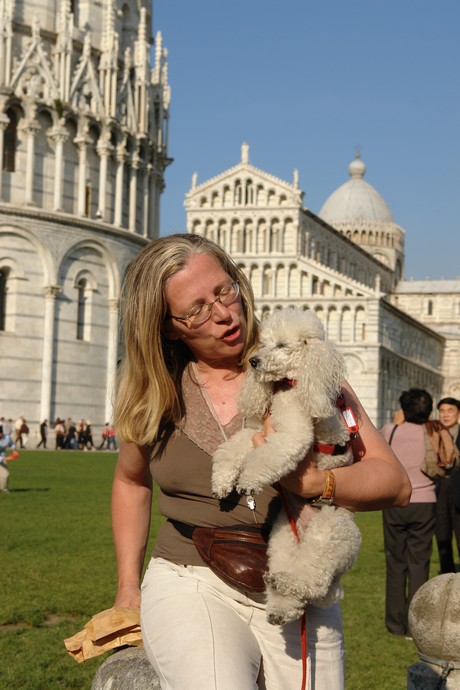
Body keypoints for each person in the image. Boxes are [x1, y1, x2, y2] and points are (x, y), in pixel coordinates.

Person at [111, 233, 411, 690]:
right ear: (169, 326)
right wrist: (128, 588)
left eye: (224, 290)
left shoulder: (304, 369)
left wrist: (313, 483)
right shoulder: (154, 391)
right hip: (191, 576)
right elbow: (131, 483)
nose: (224, 314)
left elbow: (395, 483)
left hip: (298, 579)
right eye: (196, 310)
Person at [380, 388, 453, 638]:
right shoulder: (433, 433)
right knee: (419, 563)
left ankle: (395, 624)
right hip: (425, 502)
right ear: (429, 410)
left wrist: (397, 422)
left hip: (395, 502)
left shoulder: (391, 430)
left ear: (403, 408)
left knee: (395, 562)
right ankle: (415, 624)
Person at [435, 397, 460, 573]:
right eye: (442, 411)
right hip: (439, 495)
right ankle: (447, 581)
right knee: (443, 543)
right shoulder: (433, 436)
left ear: (458, 413)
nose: (445, 415)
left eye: (450, 410)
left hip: (459, 494)